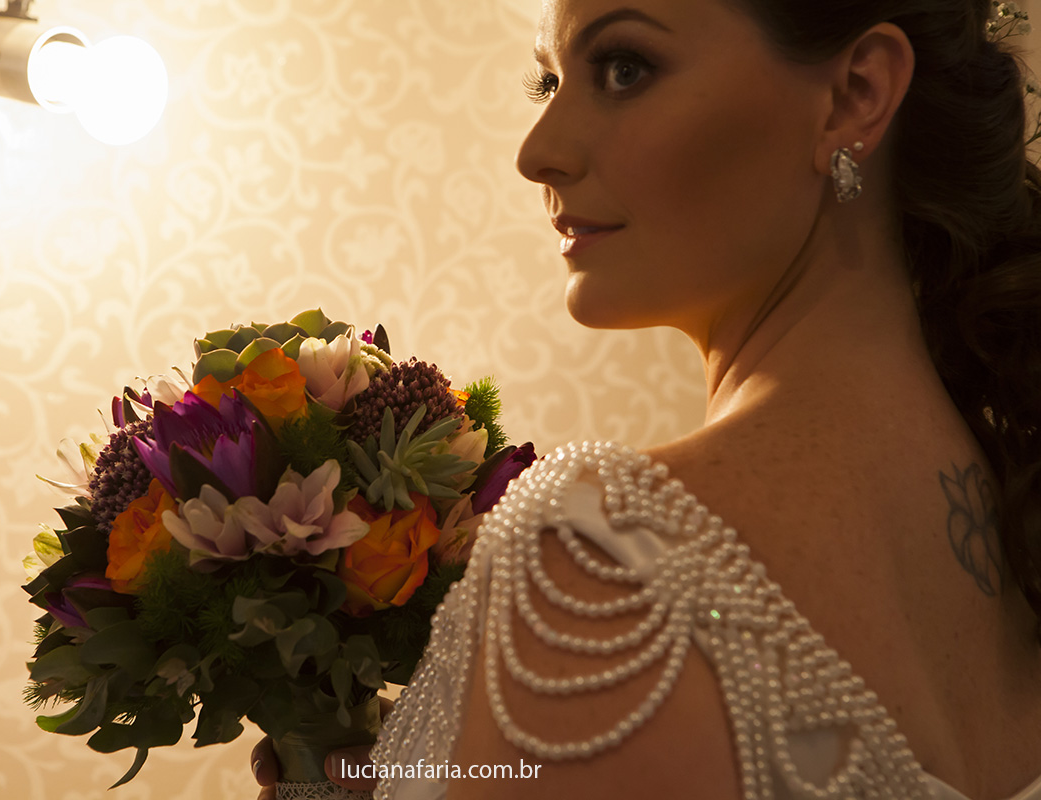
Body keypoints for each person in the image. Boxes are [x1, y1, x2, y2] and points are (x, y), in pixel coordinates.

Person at [255, 0, 1041, 796]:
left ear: (855, 94)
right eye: (549, 81)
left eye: (625, 68)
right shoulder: (1015, 516)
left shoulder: (605, 556)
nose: (537, 153)